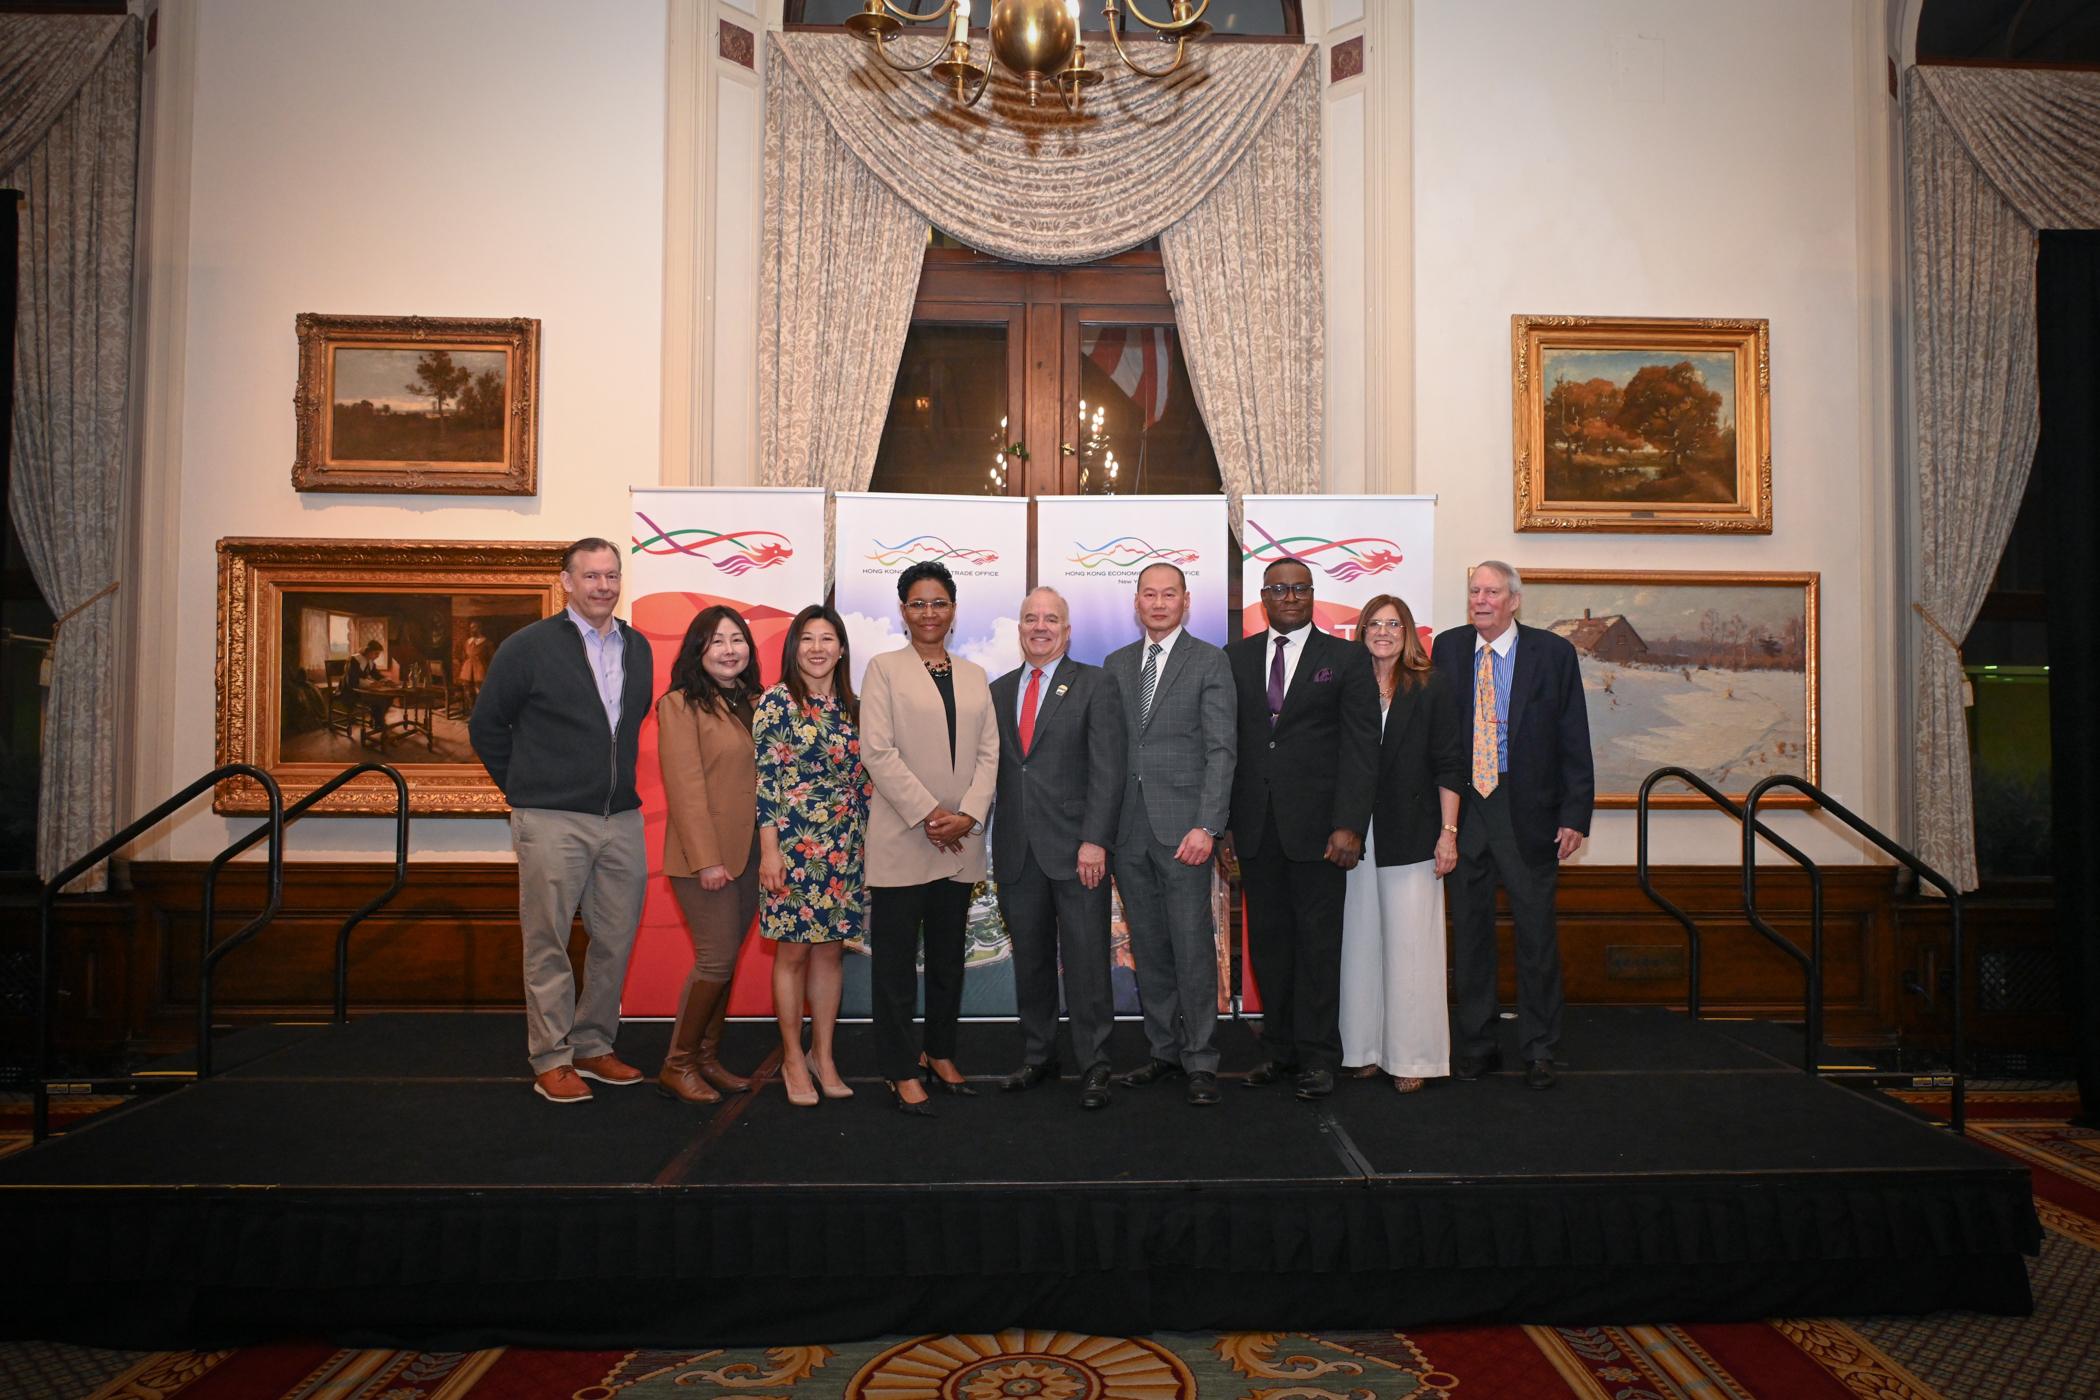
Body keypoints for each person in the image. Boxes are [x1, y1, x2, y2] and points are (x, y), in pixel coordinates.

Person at [469, 537, 656, 1104]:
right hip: (550, 818)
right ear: (567, 582)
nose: (604, 586)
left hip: (621, 817)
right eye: (591, 576)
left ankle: (594, 1045)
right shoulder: (527, 647)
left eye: (612, 576)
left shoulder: (639, 646)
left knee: (616, 939)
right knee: (548, 941)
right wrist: (527, 793)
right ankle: (551, 1057)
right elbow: (486, 728)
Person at [1430, 560, 1594, 1091]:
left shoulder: (1553, 654)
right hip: (1466, 810)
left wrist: (1575, 814)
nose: (1481, 600)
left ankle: (1541, 1048)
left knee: (1536, 936)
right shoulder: (1449, 650)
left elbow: (1574, 735)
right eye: (1474, 590)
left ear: (1514, 600)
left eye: (1492, 592)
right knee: (1471, 935)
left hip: (1529, 812)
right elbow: (1437, 739)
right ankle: (1478, 1047)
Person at [1220, 556, 1380, 1101]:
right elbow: (1228, 748)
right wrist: (1225, 829)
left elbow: (1362, 747)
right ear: (1263, 598)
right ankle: (1280, 1051)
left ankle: (1318, 1058)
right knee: (1268, 947)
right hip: (1256, 830)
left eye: (1300, 589)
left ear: (1312, 595)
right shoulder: (1235, 658)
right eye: (1279, 589)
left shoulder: (1347, 658)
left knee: (1317, 947)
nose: (1290, 597)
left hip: (1320, 832)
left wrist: (1349, 824)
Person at [860, 560, 999, 1117]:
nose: (929, 613)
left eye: (939, 603)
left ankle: (939, 1052)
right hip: (903, 837)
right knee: (894, 963)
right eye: (918, 603)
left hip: (960, 841)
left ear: (954, 610)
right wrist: (929, 814)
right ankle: (898, 1069)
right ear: (903, 611)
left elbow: (990, 753)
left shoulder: (973, 675)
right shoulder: (883, 669)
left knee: (948, 960)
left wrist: (966, 815)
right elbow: (877, 752)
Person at [1103, 562, 1235, 1107]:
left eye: (1169, 594)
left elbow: (1221, 750)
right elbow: (1107, 753)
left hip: (1186, 832)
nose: (1158, 603)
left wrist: (1208, 825)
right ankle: (1164, 1050)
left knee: (1191, 946)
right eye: (1149, 595)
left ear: (1186, 601)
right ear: (1136, 603)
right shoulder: (1115, 665)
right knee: (1150, 948)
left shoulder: (1209, 660)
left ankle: (1202, 1059)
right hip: (1129, 831)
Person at [988, 588, 1125, 1110]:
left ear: (1067, 630)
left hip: (1077, 852)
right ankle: (1039, 1053)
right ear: (1019, 629)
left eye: (1051, 619)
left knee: (1088, 960)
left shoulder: (1095, 684)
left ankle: (1095, 1063)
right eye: (1030, 619)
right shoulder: (999, 692)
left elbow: (1108, 769)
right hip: (1018, 850)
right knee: (1033, 961)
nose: (1039, 627)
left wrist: (1095, 840)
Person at [1339, 594, 1462, 1093]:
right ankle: (1363, 1050)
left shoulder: (1431, 685)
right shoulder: (1349, 685)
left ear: (1408, 631)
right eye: (1374, 623)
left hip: (1413, 832)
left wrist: (1448, 834)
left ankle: (1414, 1057)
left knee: (1413, 947)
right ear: (1362, 630)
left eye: (1393, 624)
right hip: (1352, 835)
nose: (1383, 632)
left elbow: (1451, 763)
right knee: (1359, 942)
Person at [752, 604, 869, 1108]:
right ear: (793, 647)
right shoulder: (777, 702)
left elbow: (866, 782)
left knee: (829, 952)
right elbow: (765, 781)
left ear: (842, 648)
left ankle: (824, 1055)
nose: (818, 648)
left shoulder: (857, 706)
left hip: (844, 848)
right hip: (794, 847)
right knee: (794, 951)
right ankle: (792, 1058)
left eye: (828, 639)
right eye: (807, 639)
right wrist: (769, 852)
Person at [654, 604, 765, 1105]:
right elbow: (685, 788)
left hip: (751, 858)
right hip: (707, 862)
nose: (728, 649)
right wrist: (707, 861)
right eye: (716, 640)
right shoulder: (679, 705)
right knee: (715, 961)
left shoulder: (759, 701)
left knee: (727, 962)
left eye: (736, 639)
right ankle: (677, 1064)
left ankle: (706, 1058)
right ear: (698, 650)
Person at [343, 638, 391, 733]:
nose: (377, 656)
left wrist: (386, 680)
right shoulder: (354, 660)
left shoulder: (370, 662)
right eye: (376, 653)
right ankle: (380, 723)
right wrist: (371, 684)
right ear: (368, 651)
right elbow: (352, 680)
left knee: (388, 698)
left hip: (361, 689)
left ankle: (379, 721)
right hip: (349, 690)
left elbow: (376, 675)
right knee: (378, 700)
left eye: (378, 654)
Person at [457, 619, 491, 711]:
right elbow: (463, 655)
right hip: (468, 669)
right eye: (471, 628)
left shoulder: (486, 642)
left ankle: (481, 712)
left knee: (480, 692)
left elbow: (491, 657)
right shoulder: (468, 642)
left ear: (480, 628)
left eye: (474, 627)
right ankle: (472, 711)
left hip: (480, 670)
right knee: (468, 691)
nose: (472, 630)